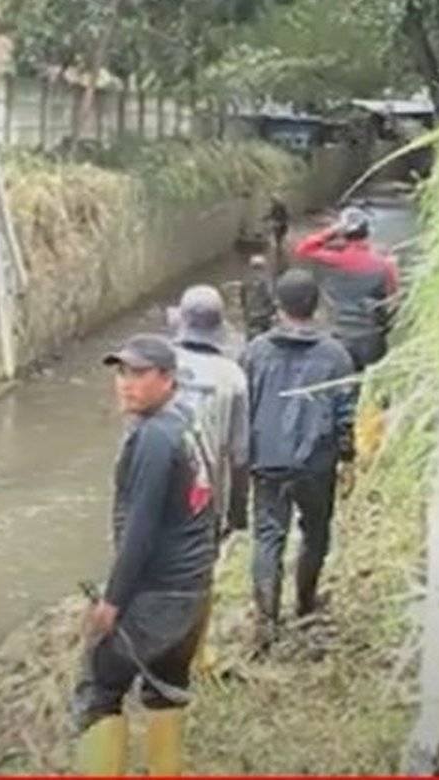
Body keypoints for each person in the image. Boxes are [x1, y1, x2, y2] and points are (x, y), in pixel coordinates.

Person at [72, 334, 217, 776]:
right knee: (166, 688)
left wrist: (112, 603)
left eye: (138, 374)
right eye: (121, 372)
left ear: (167, 378)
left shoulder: (153, 439)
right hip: (192, 590)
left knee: (98, 688)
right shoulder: (187, 422)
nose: (125, 384)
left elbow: (141, 531)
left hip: (158, 595)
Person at [241, 270, 356, 654]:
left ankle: (265, 622)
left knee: (268, 536)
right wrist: (348, 457)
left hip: (267, 459)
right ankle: (305, 604)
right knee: (316, 531)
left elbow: (245, 406)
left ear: (278, 307)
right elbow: (345, 412)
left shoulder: (255, 351)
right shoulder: (336, 355)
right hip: (315, 463)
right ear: (317, 305)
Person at [169, 284, 250, 674]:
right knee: (201, 575)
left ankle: (147, 649)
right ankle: (195, 655)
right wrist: (237, 513)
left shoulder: (157, 364)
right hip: (206, 494)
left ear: (182, 323)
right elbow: (239, 453)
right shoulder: (232, 377)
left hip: (158, 484)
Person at [291, 205, 398, 373]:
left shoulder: (333, 260)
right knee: (371, 390)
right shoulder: (385, 264)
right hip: (372, 339)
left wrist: (333, 230)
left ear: (344, 234)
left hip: (339, 337)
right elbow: (393, 299)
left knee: (340, 387)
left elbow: (304, 248)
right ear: (368, 232)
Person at [240, 254, 275, 341]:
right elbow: (270, 298)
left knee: (250, 341)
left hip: (251, 317)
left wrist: (245, 313)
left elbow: (243, 299)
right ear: (264, 267)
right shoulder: (267, 281)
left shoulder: (246, 281)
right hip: (264, 317)